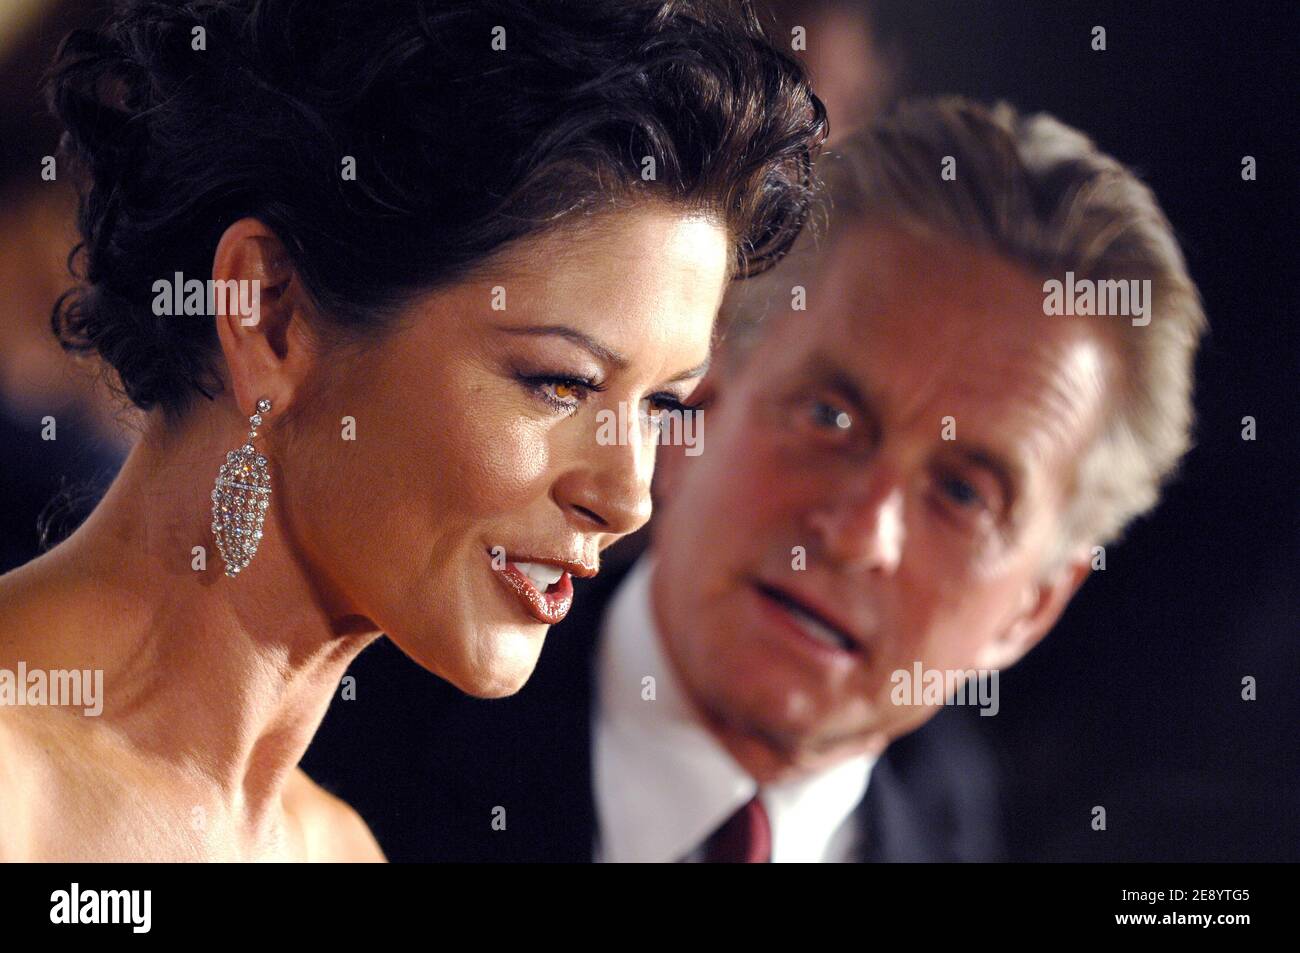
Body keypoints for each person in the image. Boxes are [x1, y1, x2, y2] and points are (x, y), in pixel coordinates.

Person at [0, 0, 825, 861]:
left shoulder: (341, 848)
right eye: (561, 383)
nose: (627, 499)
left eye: (662, 404)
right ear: (269, 315)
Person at [327, 96, 1206, 862]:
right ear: (694, 413)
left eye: (963, 494)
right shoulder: (346, 741)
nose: (860, 532)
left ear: (1031, 609)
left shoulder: (967, 827)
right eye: (830, 418)